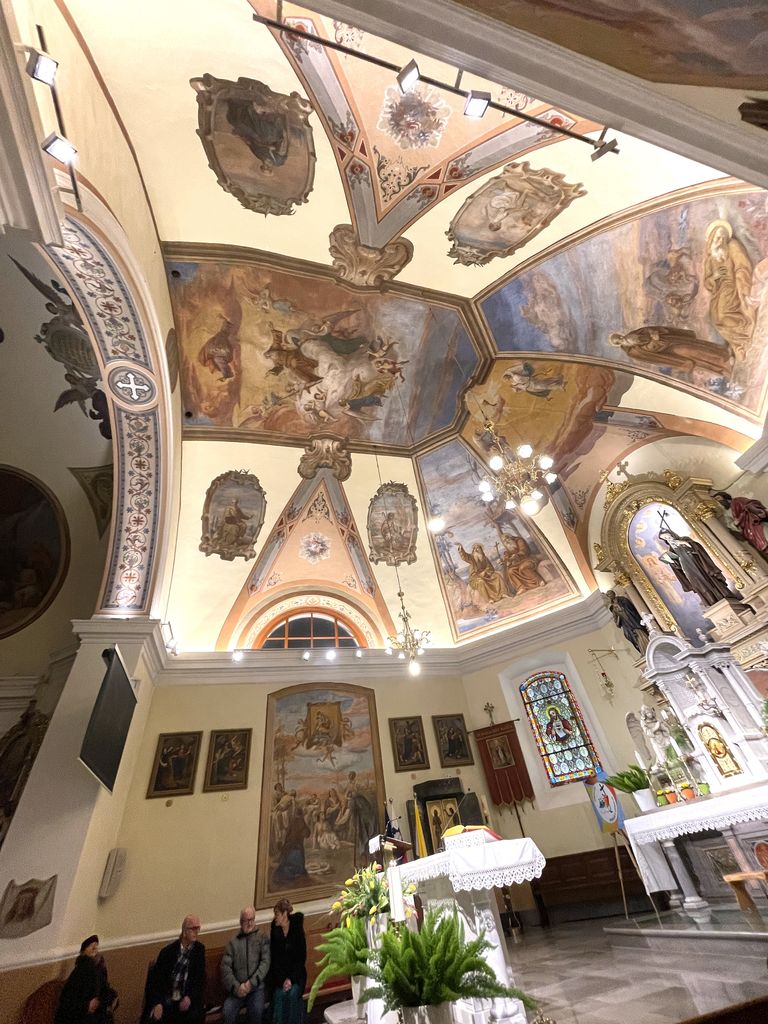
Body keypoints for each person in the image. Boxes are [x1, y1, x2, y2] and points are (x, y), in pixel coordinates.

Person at [703, 219, 755, 358]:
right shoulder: (710, 259)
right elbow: (707, 282)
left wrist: (742, 285)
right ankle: (738, 344)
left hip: (735, 288)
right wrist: (715, 277)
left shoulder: (732, 246)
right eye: (717, 237)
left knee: (724, 316)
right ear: (712, 238)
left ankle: (743, 339)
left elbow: (742, 266)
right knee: (716, 318)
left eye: (723, 237)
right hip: (719, 293)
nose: (720, 240)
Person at [658, 527, 741, 607]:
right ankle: (711, 600)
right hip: (687, 568)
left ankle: (722, 595)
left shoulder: (684, 539)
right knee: (699, 584)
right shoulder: (671, 550)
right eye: (665, 538)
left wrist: (684, 543)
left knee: (708, 579)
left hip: (699, 564)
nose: (667, 539)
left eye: (667, 536)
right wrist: (671, 561)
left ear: (672, 534)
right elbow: (677, 565)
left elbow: (697, 547)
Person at [608, 325, 732, 376]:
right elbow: (649, 354)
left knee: (695, 347)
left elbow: (649, 330)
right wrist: (654, 342)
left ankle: (723, 354)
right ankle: (721, 365)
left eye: (619, 337)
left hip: (669, 340)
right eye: (618, 341)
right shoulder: (632, 352)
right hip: (669, 352)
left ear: (620, 335)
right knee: (691, 353)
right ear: (619, 344)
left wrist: (653, 333)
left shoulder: (632, 334)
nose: (621, 339)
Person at [148, 915, 206, 1023]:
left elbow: (200, 980)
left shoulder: (199, 950)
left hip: (187, 997)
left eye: (198, 928)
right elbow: (157, 982)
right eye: (192, 929)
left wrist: (189, 997)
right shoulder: (168, 952)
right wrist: (158, 1003)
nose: (196, 932)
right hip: (168, 997)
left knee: (195, 1015)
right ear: (184, 931)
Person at [221, 906, 270, 1024]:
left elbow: (265, 963)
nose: (249, 923)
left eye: (252, 919)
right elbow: (225, 968)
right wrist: (237, 987)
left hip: (256, 988)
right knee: (227, 1011)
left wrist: (251, 983)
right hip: (238, 989)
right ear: (240, 922)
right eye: (246, 920)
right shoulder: (233, 942)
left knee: (256, 1011)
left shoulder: (262, 938)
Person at [55, 934, 116, 1024]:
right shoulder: (80, 971)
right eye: (91, 946)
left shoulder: (98, 968)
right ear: (84, 950)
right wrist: (87, 1006)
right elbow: (68, 1000)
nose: (94, 948)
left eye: (96, 946)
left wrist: (110, 998)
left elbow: (103, 989)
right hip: (80, 1016)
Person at [269, 899, 307, 1024]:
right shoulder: (275, 930)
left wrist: (290, 979)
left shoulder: (296, 928)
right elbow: (274, 959)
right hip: (279, 977)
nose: (275, 917)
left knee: (293, 994)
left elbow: (300, 958)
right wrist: (282, 980)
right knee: (279, 995)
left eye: (277, 914)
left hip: (296, 976)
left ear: (285, 914)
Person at [712, 490, 768, 556]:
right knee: (761, 545)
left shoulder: (737, 501)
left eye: (718, 498)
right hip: (747, 531)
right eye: (716, 500)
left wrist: (752, 510)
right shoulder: (726, 513)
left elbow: (750, 503)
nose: (718, 501)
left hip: (755, 523)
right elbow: (729, 524)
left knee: (765, 535)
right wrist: (734, 523)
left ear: (724, 497)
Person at [605, 589, 650, 654]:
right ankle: (643, 651)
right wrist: (619, 615)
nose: (610, 596)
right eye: (608, 595)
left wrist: (621, 608)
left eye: (610, 594)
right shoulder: (612, 608)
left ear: (614, 594)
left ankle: (648, 648)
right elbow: (617, 623)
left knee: (639, 633)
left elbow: (632, 609)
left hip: (633, 620)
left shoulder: (623, 600)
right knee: (630, 636)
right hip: (626, 625)